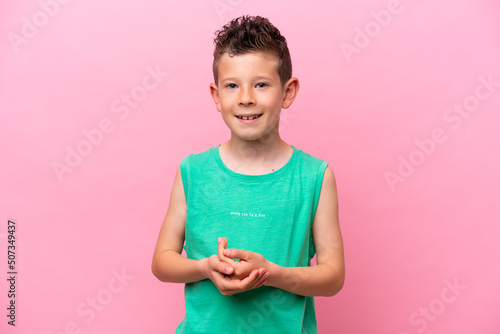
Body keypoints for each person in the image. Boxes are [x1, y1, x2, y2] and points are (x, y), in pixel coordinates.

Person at [151, 15, 345, 333]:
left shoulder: (315, 177)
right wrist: (205, 268)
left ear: (288, 91)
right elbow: (162, 261)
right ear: (216, 96)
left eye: (261, 84)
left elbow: (333, 277)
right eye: (232, 86)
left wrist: (271, 273)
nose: (245, 98)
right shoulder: (192, 172)